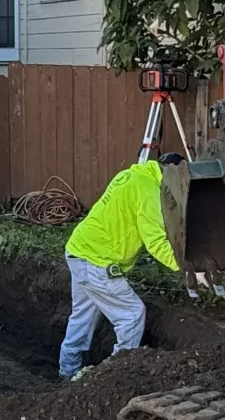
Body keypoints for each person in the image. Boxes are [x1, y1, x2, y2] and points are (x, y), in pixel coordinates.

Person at [61, 154, 187, 379]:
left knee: (82, 317)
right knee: (131, 314)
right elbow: (156, 242)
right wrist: (184, 267)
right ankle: (113, 376)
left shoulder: (131, 175)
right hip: (98, 260)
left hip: (79, 249)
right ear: (171, 173)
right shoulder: (149, 193)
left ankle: (67, 372)